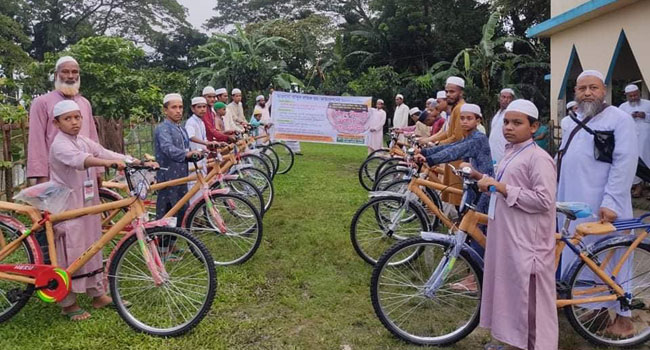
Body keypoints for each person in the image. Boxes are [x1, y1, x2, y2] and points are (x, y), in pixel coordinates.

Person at [470, 99, 558, 350]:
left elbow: (544, 200)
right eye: (506, 122)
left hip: (526, 241)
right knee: (510, 294)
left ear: (534, 127)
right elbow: (505, 188)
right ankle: (512, 343)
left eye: (517, 123)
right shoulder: (512, 152)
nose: (509, 127)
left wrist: (502, 187)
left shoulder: (538, 158)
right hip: (508, 237)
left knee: (527, 299)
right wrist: (483, 179)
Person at [48, 100, 147, 321]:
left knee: (94, 246)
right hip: (68, 207)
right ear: (56, 123)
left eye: (77, 117)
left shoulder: (82, 141)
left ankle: (97, 294)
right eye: (68, 119)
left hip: (88, 204)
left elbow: (104, 151)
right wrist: (108, 164)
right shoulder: (60, 144)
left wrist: (133, 160)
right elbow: (81, 161)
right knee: (72, 250)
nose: (74, 122)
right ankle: (68, 303)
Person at [557, 70, 638, 337]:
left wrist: (612, 201)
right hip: (574, 204)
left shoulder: (620, 120)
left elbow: (625, 162)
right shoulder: (570, 121)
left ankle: (624, 319)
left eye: (593, 88)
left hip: (605, 204)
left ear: (604, 91)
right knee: (581, 256)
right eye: (582, 89)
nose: (587, 93)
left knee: (613, 258)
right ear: (575, 93)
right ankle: (597, 310)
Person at [27, 56, 102, 186]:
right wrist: (41, 177)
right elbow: (36, 142)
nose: (71, 76)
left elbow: (93, 139)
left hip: (86, 172)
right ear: (56, 75)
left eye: (74, 72)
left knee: (89, 206)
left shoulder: (84, 103)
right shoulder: (41, 103)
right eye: (65, 72)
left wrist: (98, 171)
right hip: (57, 174)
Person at [415, 103, 493, 213]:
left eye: (469, 118)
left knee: (477, 223)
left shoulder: (478, 139)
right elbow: (452, 146)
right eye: (462, 118)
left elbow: (454, 151)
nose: (465, 121)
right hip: (473, 184)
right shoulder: (469, 136)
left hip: (483, 186)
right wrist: (425, 152)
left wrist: (429, 159)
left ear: (478, 121)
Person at [154, 94, 202, 227]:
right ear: (165, 110)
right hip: (168, 176)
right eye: (174, 107)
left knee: (181, 211)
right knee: (167, 212)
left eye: (180, 107)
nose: (178, 110)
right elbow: (167, 148)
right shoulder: (163, 128)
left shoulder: (181, 128)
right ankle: (162, 246)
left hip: (181, 175)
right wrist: (187, 155)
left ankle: (172, 245)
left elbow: (187, 148)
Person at [419, 76, 467, 205]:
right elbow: (447, 132)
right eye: (447, 92)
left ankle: (460, 223)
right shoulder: (455, 109)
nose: (448, 95)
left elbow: (456, 137)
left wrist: (437, 145)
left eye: (452, 92)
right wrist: (430, 140)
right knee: (452, 192)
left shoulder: (460, 108)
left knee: (456, 193)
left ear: (461, 92)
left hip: (458, 156)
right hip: (452, 154)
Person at [619, 83, 650, 198]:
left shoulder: (648, 104)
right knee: (634, 162)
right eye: (630, 96)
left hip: (647, 140)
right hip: (631, 140)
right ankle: (637, 186)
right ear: (626, 96)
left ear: (639, 94)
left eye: (635, 95)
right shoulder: (622, 107)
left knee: (647, 161)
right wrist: (629, 116)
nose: (633, 98)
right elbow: (618, 121)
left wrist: (645, 116)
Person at [489, 88, 515, 163]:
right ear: (499, 98)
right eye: (503, 97)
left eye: (509, 97)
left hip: (505, 153)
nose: (506, 99)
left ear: (512, 100)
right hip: (493, 153)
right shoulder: (497, 114)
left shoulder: (511, 114)